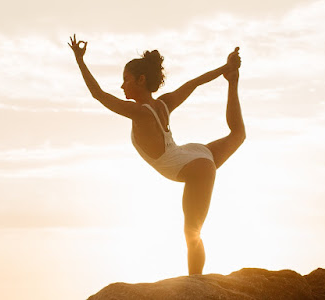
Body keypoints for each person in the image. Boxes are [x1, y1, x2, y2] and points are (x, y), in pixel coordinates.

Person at [68, 34, 245, 275]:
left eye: (126, 80)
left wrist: (80, 61)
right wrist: (227, 68)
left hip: (193, 167)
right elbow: (193, 83)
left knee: (191, 231)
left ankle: (195, 286)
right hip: (191, 155)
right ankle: (232, 82)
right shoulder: (164, 103)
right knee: (237, 135)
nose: (122, 86)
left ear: (141, 80)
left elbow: (98, 94)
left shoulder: (138, 112)